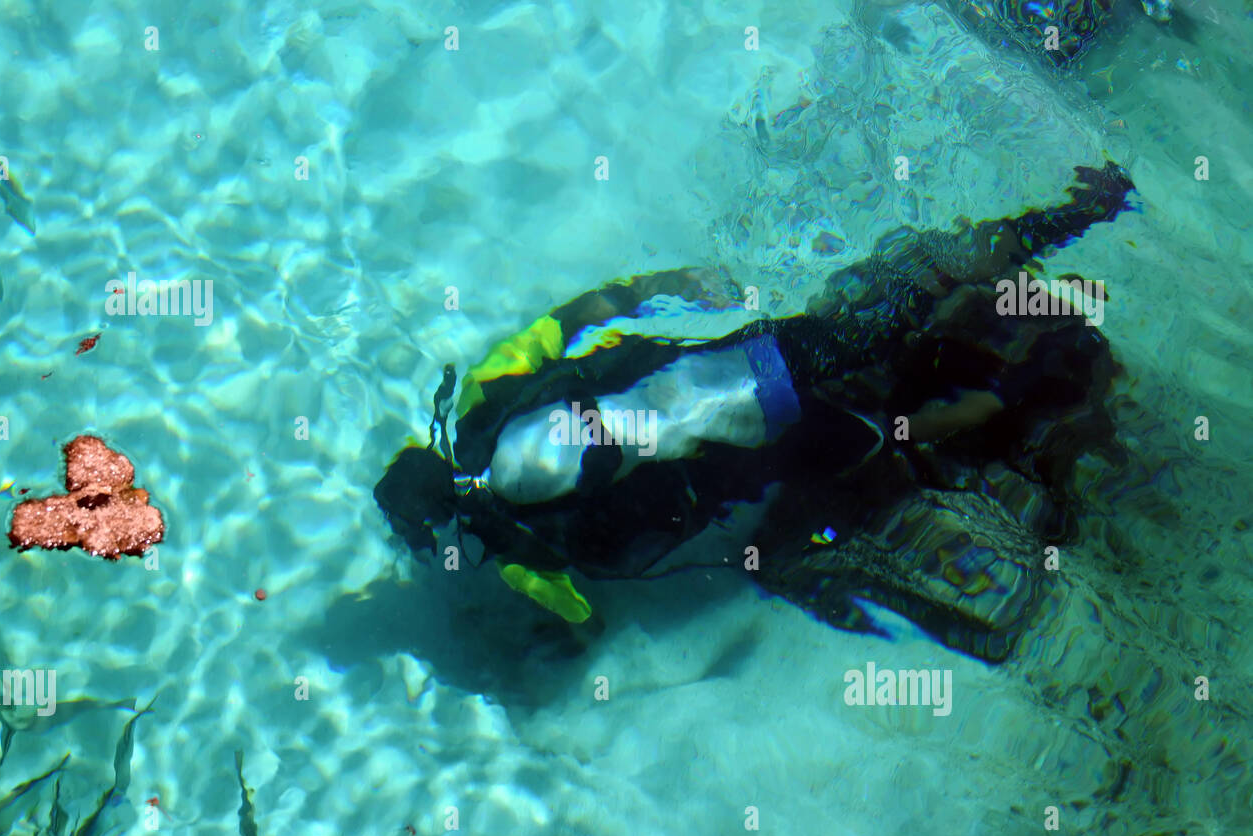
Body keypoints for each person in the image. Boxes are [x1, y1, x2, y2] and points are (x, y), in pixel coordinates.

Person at [375, 161, 1135, 655]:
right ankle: (1077, 213)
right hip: (748, 358)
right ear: (427, 449)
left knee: (893, 439)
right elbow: (569, 321)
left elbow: (585, 618)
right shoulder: (479, 396)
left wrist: (533, 625)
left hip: (758, 446)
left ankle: (1017, 397)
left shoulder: (517, 556)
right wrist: (659, 286)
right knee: (910, 286)